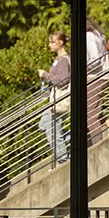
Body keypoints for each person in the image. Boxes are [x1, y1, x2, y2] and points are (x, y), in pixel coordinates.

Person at [38, 30, 71, 161]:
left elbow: (63, 80)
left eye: (52, 42)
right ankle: (71, 140)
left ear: (60, 43)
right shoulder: (58, 59)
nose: (49, 45)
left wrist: (45, 75)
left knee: (49, 125)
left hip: (60, 99)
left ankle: (62, 158)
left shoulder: (63, 59)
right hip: (55, 99)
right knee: (44, 125)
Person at [86, 20, 109, 143]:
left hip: (94, 78)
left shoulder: (88, 36)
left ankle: (98, 146)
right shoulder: (99, 35)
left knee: (90, 116)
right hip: (103, 76)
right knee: (94, 112)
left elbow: (95, 60)